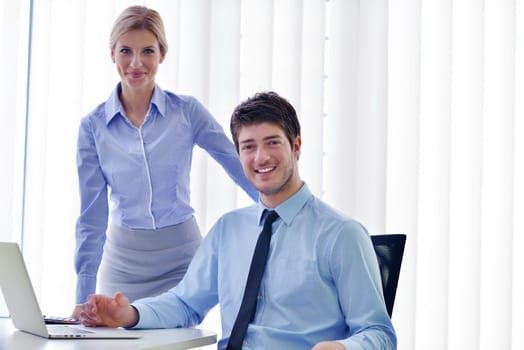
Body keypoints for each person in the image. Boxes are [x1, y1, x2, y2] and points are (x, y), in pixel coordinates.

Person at [79, 91, 397, 349]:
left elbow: (379, 334)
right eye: (248, 146)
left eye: (272, 142)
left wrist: (343, 349)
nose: (261, 157)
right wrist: (130, 313)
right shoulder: (228, 230)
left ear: (296, 146)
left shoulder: (341, 235)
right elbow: (184, 303)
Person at [73, 6, 257, 317]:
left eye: (147, 50)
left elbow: (239, 167)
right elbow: (91, 218)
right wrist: (83, 294)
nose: (135, 63)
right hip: (123, 266)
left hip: (182, 263)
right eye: (125, 51)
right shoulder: (93, 127)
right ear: (112, 54)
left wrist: (284, 211)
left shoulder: (187, 112)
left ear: (163, 54)